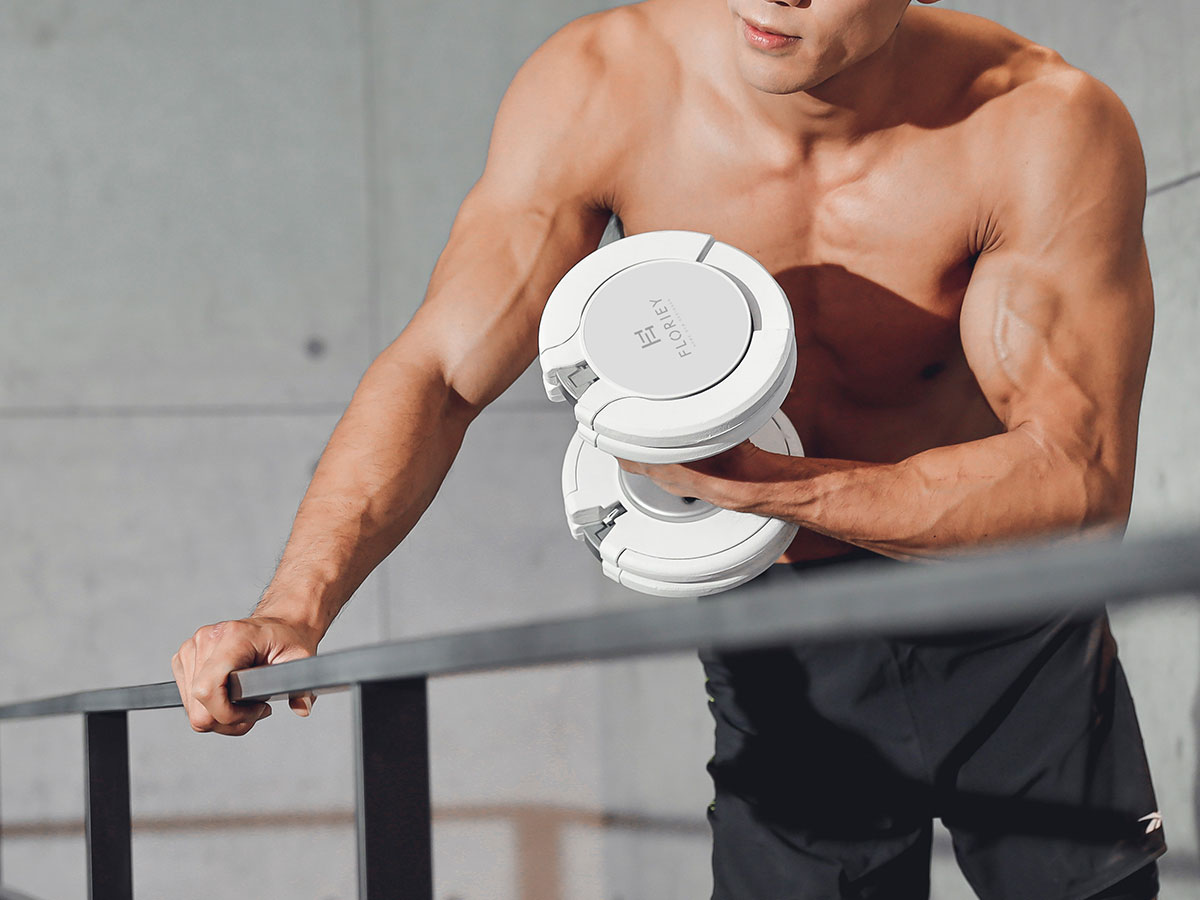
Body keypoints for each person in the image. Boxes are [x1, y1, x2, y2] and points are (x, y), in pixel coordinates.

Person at [172, 1, 1166, 896]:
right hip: (780, 643)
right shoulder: (608, 85)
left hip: (1004, 615)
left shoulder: (1041, 125)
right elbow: (438, 376)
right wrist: (294, 607)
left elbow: (1079, 477)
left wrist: (773, 491)